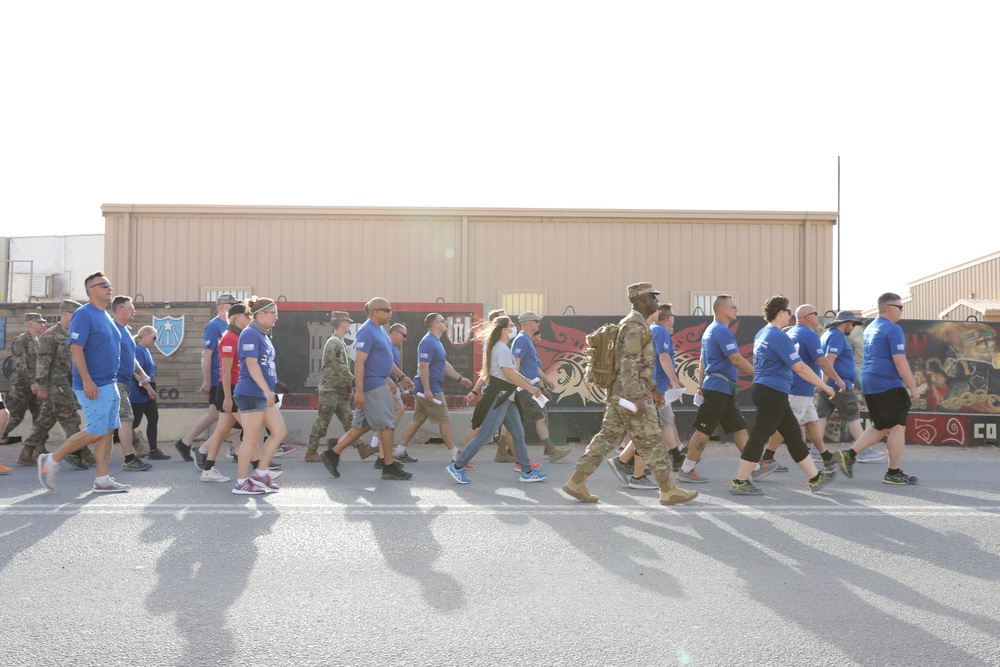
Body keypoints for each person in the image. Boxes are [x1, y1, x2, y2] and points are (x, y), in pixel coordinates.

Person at [563, 283, 697, 506]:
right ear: (641, 300)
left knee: (606, 439)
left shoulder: (636, 325)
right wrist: (637, 398)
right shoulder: (635, 327)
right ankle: (668, 490)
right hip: (631, 395)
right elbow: (628, 365)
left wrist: (654, 390)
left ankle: (576, 482)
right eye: (653, 297)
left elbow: (639, 366)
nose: (656, 302)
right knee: (653, 439)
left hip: (623, 394)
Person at [728, 295, 837, 495]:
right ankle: (740, 480)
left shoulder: (762, 332)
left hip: (768, 389)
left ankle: (815, 477)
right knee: (760, 436)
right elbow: (800, 367)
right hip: (772, 391)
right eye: (788, 311)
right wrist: (825, 385)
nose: (790, 315)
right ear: (780, 312)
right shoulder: (778, 335)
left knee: (794, 435)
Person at [38, 272, 131, 493]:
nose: (110, 288)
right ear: (91, 290)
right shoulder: (84, 314)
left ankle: (102, 479)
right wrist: (88, 381)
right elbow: (76, 348)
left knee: (107, 431)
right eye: (104, 285)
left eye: (110, 284)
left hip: (110, 383)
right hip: (94, 385)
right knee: (97, 430)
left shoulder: (105, 315)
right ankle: (51, 460)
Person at [320, 298, 415, 481]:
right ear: (375, 312)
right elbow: (359, 362)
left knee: (363, 425)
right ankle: (388, 466)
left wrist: (402, 377)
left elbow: (386, 360)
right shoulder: (366, 331)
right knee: (387, 424)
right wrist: (360, 391)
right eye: (387, 310)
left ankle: (333, 453)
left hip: (378, 382)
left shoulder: (379, 330)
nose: (390, 313)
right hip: (373, 385)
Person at [445, 316, 548, 484]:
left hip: (507, 397)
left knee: (518, 435)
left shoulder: (502, 347)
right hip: (500, 397)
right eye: (510, 326)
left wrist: (526, 381)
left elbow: (512, 371)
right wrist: (530, 388)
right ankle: (457, 467)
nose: (514, 328)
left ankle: (527, 471)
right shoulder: (501, 348)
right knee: (484, 436)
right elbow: (508, 374)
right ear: (503, 330)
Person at [836, 293, 921, 485]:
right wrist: (913, 387)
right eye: (900, 307)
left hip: (870, 382)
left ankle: (848, 455)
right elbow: (899, 360)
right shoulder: (892, 328)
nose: (901, 311)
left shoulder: (870, 327)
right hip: (887, 383)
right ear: (890, 308)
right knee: (897, 426)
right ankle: (893, 473)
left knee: (882, 425)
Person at [757, 304, 845, 475]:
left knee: (812, 422)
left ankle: (826, 457)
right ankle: (766, 458)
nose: (818, 316)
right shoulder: (809, 335)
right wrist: (836, 380)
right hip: (799, 388)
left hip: (797, 387)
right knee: (784, 427)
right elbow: (822, 361)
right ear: (806, 317)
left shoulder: (791, 332)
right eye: (815, 313)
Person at [607, 303, 687, 489]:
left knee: (646, 431)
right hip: (649, 390)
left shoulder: (650, 330)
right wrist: (673, 381)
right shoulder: (659, 331)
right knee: (647, 432)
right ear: (668, 317)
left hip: (649, 388)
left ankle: (626, 464)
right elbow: (663, 357)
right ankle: (635, 472)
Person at [676, 295, 755, 483]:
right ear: (722, 309)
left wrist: (700, 386)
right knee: (703, 431)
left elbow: (703, 361)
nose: (737, 309)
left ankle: (756, 467)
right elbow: (735, 358)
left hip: (722, 389)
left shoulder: (711, 330)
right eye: (733, 307)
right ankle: (686, 470)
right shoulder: (721, 330)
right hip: (719, 389)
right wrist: (758, 375)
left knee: (740, 428)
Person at [393, 313, 474, 463]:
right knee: (444, 420)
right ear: (435, 325)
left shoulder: (436, 342)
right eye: (443, 321)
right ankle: (455, 455)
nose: (446, 323)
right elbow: (423, 366)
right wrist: (428, 389)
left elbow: (443, 364)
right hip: (431, 389)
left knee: (417, 419)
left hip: (427, 388)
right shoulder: (428, 342)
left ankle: (399, 451)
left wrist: (460, 378)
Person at [21, 301, 87, 468]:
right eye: (74, 314)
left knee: (45, 420)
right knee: (71, 418)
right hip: (55, 384)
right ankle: (77, 453)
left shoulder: (72, 333)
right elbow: (43, 362)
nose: (77, 317)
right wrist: (42, 386)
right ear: (65, 313)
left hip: (66, 383)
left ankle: (26, 453)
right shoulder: (51, 335)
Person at [231, 297, 287, 494]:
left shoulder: (262, 334)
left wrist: (269, 390)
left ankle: (261, 474)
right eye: (273, 313)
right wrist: (266, 391)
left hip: (262, 394)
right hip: (251, 393)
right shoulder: (250, 334)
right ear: (261, 314)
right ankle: (241, 483)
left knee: (279, 431)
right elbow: (252, 364)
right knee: (251, 439)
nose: (276, 317)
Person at [175, 294, 238, 461]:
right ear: (224, 306)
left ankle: (186, 442)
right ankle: (190, 444)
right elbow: (207, 354)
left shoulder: (230, 325)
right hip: (219, 376)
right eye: (233, 304)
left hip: (226, 376)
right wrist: (207, 380)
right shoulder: (214, 325)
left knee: (220, 414)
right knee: (225, 415)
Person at [194, 302, 251, 482]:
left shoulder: (239, 336)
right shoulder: (229, 338)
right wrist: (227, 397)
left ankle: (207, 465)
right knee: (251, 428)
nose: (249, 319)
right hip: (230, 391)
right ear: (237, 317)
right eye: (247, 315)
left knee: (224, 430)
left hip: (236, 389)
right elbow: (225, 371)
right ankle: (260, 469)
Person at [818, 310, 881, 462]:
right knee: (853, 415)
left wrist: (823, 384)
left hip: (829, 385)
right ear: (845, 323)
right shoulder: (837, 336)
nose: (852, 327)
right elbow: (828, 360)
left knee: (821, 417)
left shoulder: (827, 334)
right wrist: (826, 383)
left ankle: (815, 450)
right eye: (852, 324)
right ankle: (863, 451)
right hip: (840, 386)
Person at [306, 311, 366, 462]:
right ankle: (311, 452)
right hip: (330, 391)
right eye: (348, 322)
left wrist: (349, 390)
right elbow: (339, 367)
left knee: (350, 421)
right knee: (322, 422)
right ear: (341, 323)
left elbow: (342, 368)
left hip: (340, 392)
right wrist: (354, 383)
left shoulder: (340, 343)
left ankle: (362, 449)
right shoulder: (334, 343)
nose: (350, 325)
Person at [511, 311, 572, 461]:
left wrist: (545, 378)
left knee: (539, 416)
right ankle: (551, 450)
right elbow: (515, 365)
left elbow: (531, 364)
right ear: (526, 323)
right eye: (536, 321)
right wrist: (521, 385)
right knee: (539, 417)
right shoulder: (521, 340)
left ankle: (547, 449)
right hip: (527, 389)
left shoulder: (525, 340)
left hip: (530, 387)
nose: (538, 324)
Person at [111, 296, 155, 472]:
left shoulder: (125, 331)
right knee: (126, 420)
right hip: (114, 382)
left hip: (122, 382)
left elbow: (131, 357)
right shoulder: (112, 329)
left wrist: (142, 373)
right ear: (120, 309)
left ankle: (75, 451)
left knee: (107, 425)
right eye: (131, 308)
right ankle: (129, 459)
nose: (134, 311)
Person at [2, 312, 46, 444]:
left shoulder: (36, 341)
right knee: (14, 416)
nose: (43, 324)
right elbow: (20, 365)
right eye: (40, 322)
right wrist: (32, 382)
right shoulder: (21, 340)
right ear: (30, 324)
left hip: (35, 387)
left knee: (40, 417)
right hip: (21, 386)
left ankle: (36, 448)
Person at [130, 325, 169, 460]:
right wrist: (149, 389)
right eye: (154, 337)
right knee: (134, 423)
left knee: (153, 418)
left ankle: (153, 451)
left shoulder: (146, 350)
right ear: (145, 335)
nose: (155, 341)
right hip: (138, 391)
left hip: (147, 392)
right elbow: (135, 373)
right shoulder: (137, 350)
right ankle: (108, 436)